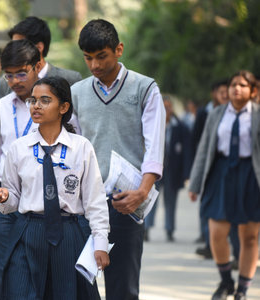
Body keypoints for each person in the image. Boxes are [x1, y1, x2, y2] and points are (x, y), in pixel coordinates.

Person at [0, 76, 109, 299]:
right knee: (21, 291)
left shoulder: (81, 147)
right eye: (33, 100)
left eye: (45, 100)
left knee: (67, 293)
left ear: (63, 107)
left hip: (69, 232)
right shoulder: (19, 148)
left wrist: (100, 241)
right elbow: (13, 198)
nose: (36, 106)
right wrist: (5, 197)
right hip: (28, 230)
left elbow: (95, 200)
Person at [71, 19, 165, 300]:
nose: (95, 65)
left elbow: (155, 145)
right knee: (81, 284)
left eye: (102, 56)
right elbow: (74, 146)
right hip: (85, 203)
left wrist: (142, 192)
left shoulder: (145, 88)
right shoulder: (76, 93)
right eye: (88, 58)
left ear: (118, 49)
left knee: (123, 287)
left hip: (127, 201)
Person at [0, 39, 41, 299]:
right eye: (9, 75)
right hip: (1, 202)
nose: (15, 81)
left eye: (22, 73)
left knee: (35, 274)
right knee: (2, 274)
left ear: (37, 67)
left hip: (38, 203)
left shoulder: (54, 107)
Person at [189, 70, 259, 300]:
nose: (236, 88)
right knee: (217, 233)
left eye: (242, 85)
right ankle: (226, 281)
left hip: (250, 175)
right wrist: (195, 183)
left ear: (252, 91)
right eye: (233, 85)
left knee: (248, 236)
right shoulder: (217, 114)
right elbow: (204, 150)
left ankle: (242, 289)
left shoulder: (258, 115)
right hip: (221, 173)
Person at [0, 16, 82, 99]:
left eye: (21, 45)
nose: (14, 50)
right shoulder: (3, 83)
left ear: (39, 47)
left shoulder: (70, 79)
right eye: (12, 45)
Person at [145, 97, 191, 242]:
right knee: (151, 201)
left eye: (169, 107)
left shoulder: (181, 128)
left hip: (172, 171)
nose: (167, 110)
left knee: (171, 202)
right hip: (153, 171)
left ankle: (170, 230)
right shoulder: (150, 126)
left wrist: (186, 173)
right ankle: (146, 228)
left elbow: (187, 153)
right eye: (163, 107)